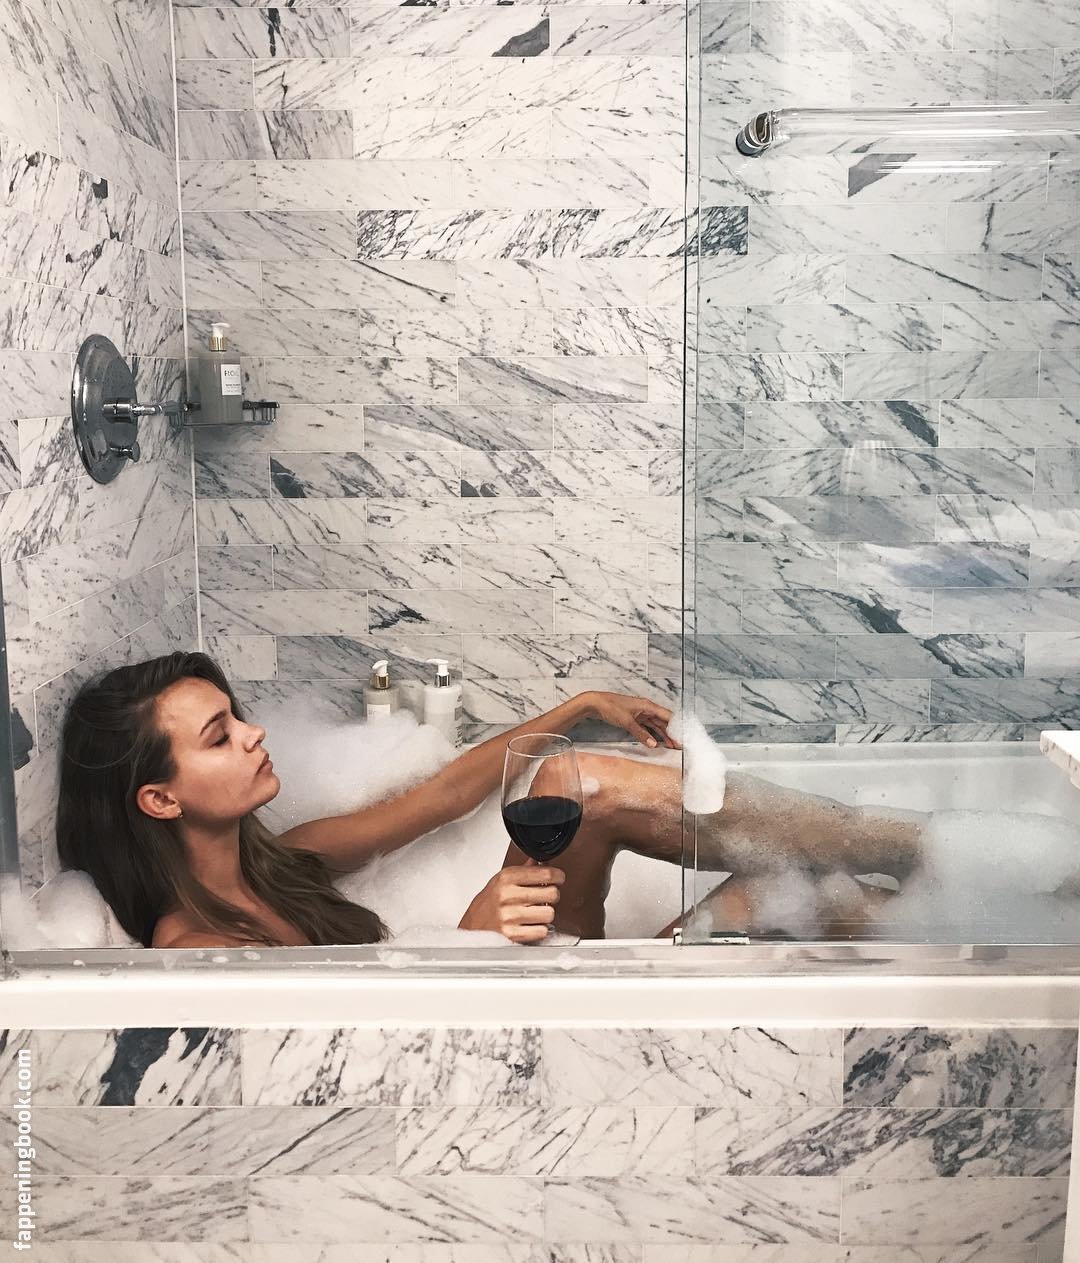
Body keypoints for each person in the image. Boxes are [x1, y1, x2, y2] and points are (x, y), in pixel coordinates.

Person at [57, 652, 925, 950]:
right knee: (776, 898)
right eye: (219, 736)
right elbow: (343, 1064)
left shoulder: (282, 861)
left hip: (499, 984)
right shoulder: (200, 949)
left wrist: (577, 707)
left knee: (576, 779)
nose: (253, 734)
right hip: (491, 1032)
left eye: (237, 717)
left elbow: (440, 796)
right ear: (159, 798)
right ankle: (931, 854)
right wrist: (465, 939)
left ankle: (933, 861)